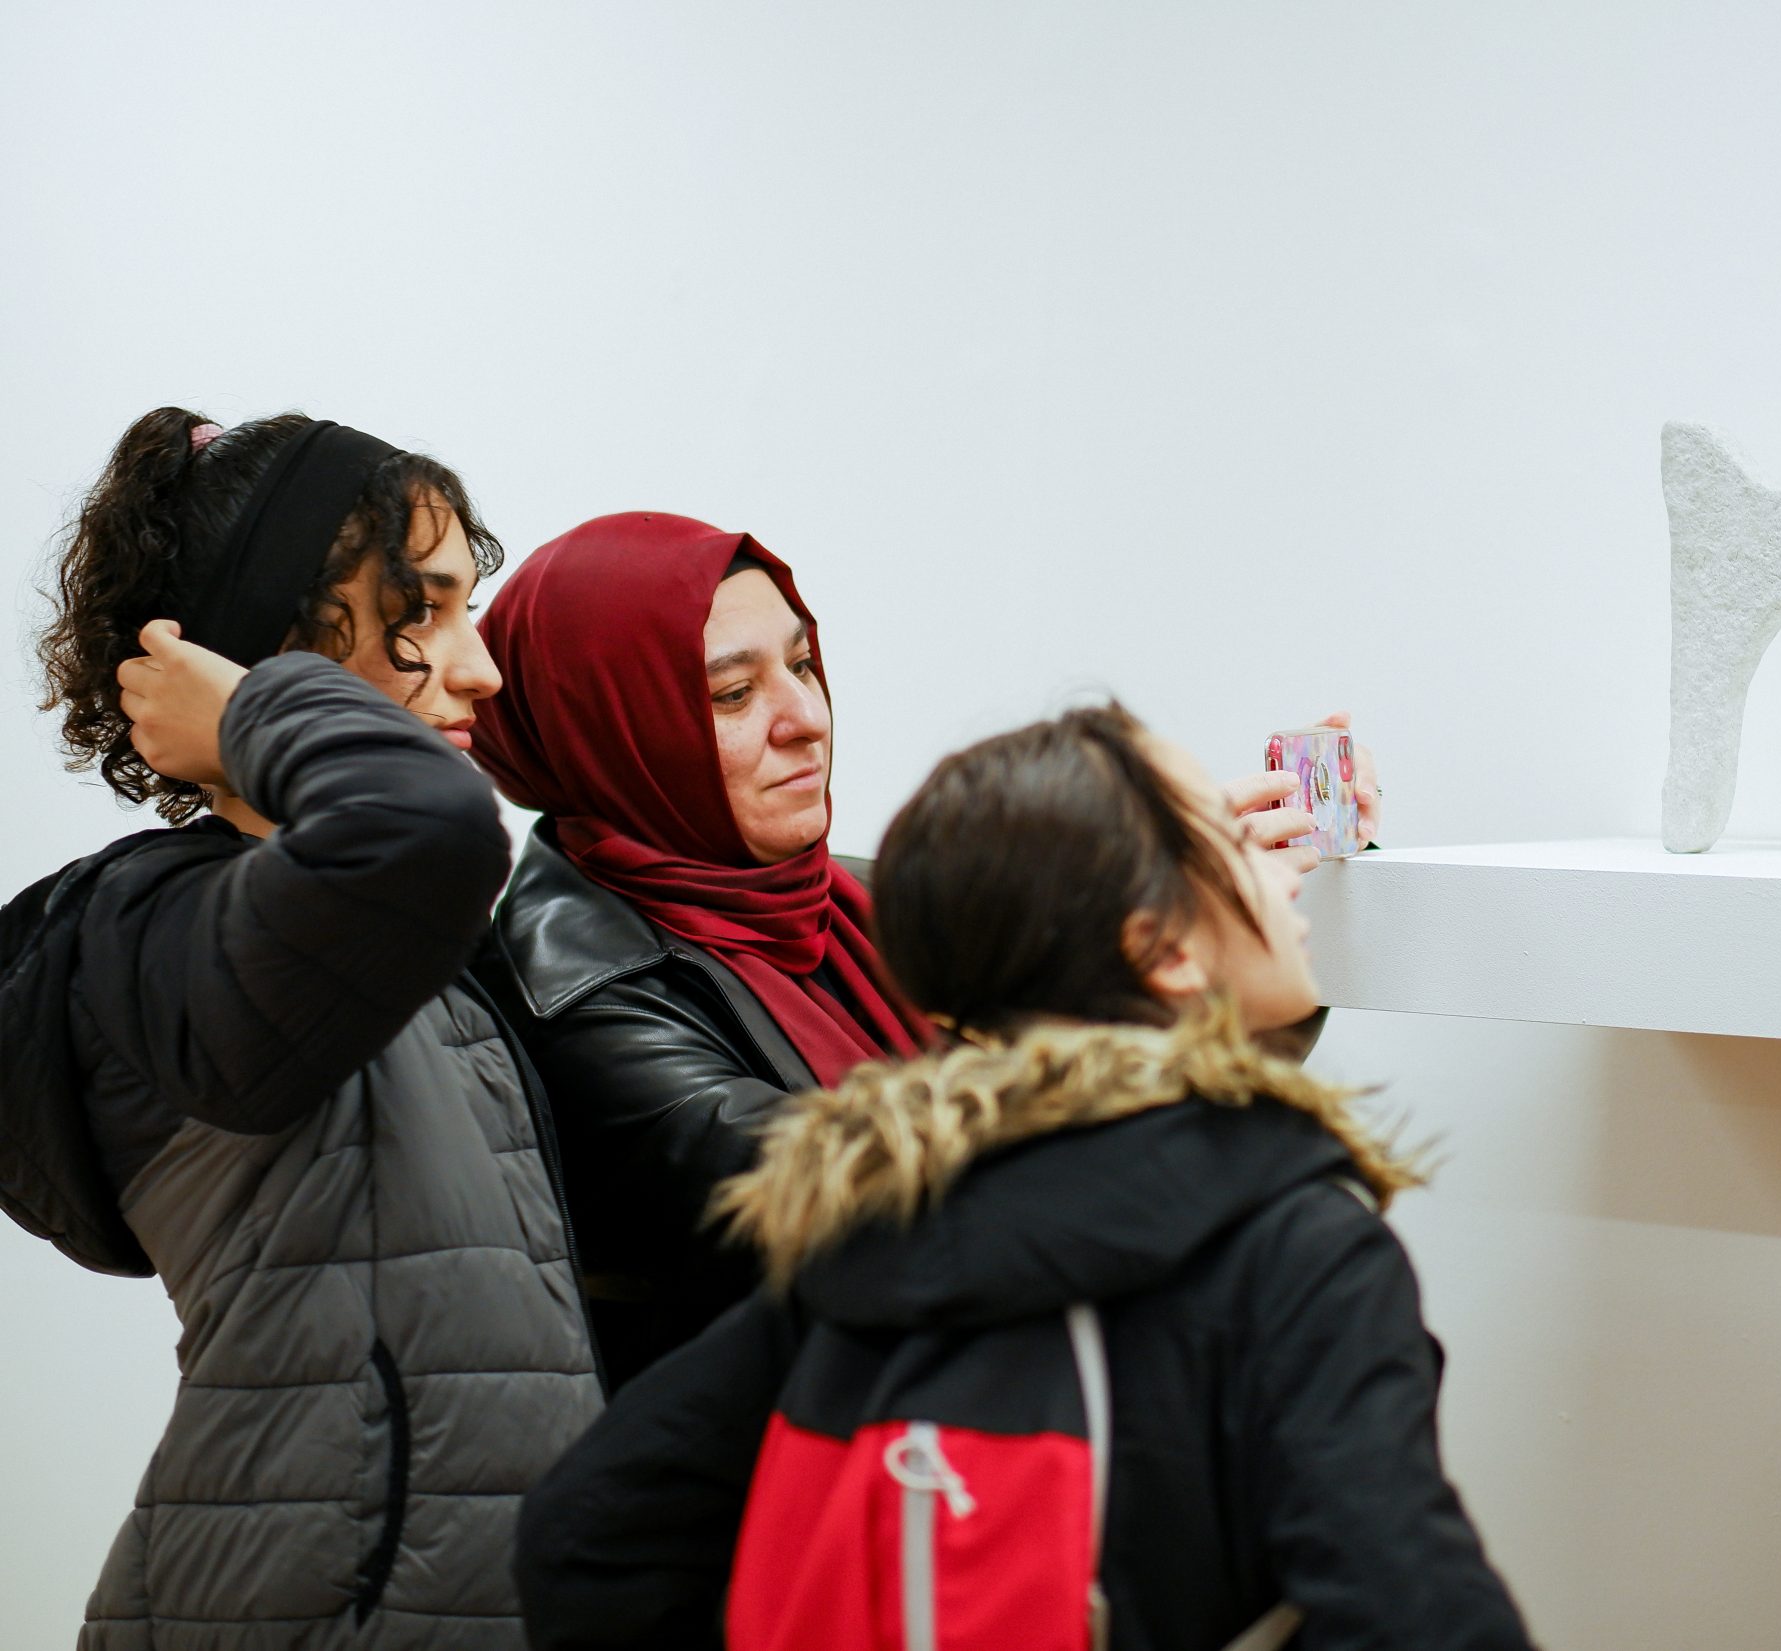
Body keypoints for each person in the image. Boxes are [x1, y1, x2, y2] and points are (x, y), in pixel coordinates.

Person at [514, 703, 1532, 1651]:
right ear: (1162, 951)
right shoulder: (1296, 1248)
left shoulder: (878, 1228)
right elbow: (1416, 1615)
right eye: (1235, 851)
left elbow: (584, 1537)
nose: (1282, 890)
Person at [467, 512, 1381, 1390]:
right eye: (733, 693)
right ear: (610, 729)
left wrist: (1236, 901)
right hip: (807, 1500)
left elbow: (1113, 1070)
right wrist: (1159, 922)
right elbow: (906, 1202)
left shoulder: (856, 897)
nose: (805, 718)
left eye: (803, 664)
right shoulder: (581, 998)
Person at [0, 408, 602, 1649]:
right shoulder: (154, 925)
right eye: (418, 615)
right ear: (266, 654)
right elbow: (426, 826)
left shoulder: (405, 945)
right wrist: (248, 716)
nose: (480, 669)